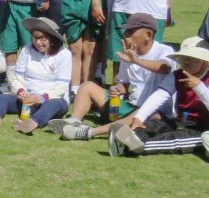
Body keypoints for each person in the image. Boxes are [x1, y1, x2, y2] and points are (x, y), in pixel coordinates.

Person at [54, 13, 176, 141]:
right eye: (126, 31)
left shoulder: (164, 50)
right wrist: (117, 89)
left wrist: (136, 61)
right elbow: (124, 84)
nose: (126, 36)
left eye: (131, 32)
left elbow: (164, 68)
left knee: (140, 113)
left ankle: (89, 132)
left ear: (148, 35)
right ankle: (74, 121)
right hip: (131, 106)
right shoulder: (129, 54)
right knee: (87, 86)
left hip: (155, 112)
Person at [109, 37, 209, 156]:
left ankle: (131, 147)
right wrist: (139, 118)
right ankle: (130, 137)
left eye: (193, 59)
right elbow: (159, 96)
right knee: (153, 123)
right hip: (181, 122)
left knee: (175, 140)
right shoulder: (176, 75)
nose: (187, 62)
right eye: (183, 58)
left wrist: (199, 87)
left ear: (204, 61)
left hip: (208, 130)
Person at [0, 17, 72, 133]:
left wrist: (41, 98)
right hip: (27, 99)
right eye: (35, 38)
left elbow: (61, 87)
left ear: (52, 38)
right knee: (2, 97)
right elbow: (16, 78)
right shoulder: (26, 50)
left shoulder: (64, 55)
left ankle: (32, 122)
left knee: (54, 104)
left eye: (43, 38)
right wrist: (21, 92)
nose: (38, 42)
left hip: (51, 99)